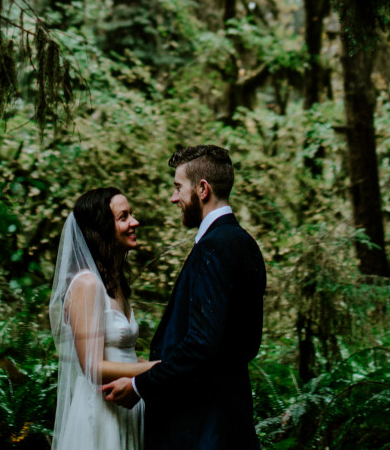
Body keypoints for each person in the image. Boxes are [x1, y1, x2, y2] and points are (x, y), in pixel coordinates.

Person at [101, 145, 266, 450]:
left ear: (203, 189)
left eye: (178, 187)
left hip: (200, 428)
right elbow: (246, 342)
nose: (173, 197)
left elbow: (202, 345)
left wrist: (139, 385)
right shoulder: (246, 244)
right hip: (232, 419)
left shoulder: (212, 248)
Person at [50, 188, 158, 450]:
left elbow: (123, 356)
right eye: (124, 217)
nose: (134, 222)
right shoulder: (87, 285)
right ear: (102, 228)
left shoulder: (116, 281)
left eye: (131, 214)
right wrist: (155, 368)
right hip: (101, 414)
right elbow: (93, 367)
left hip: (127, 406)